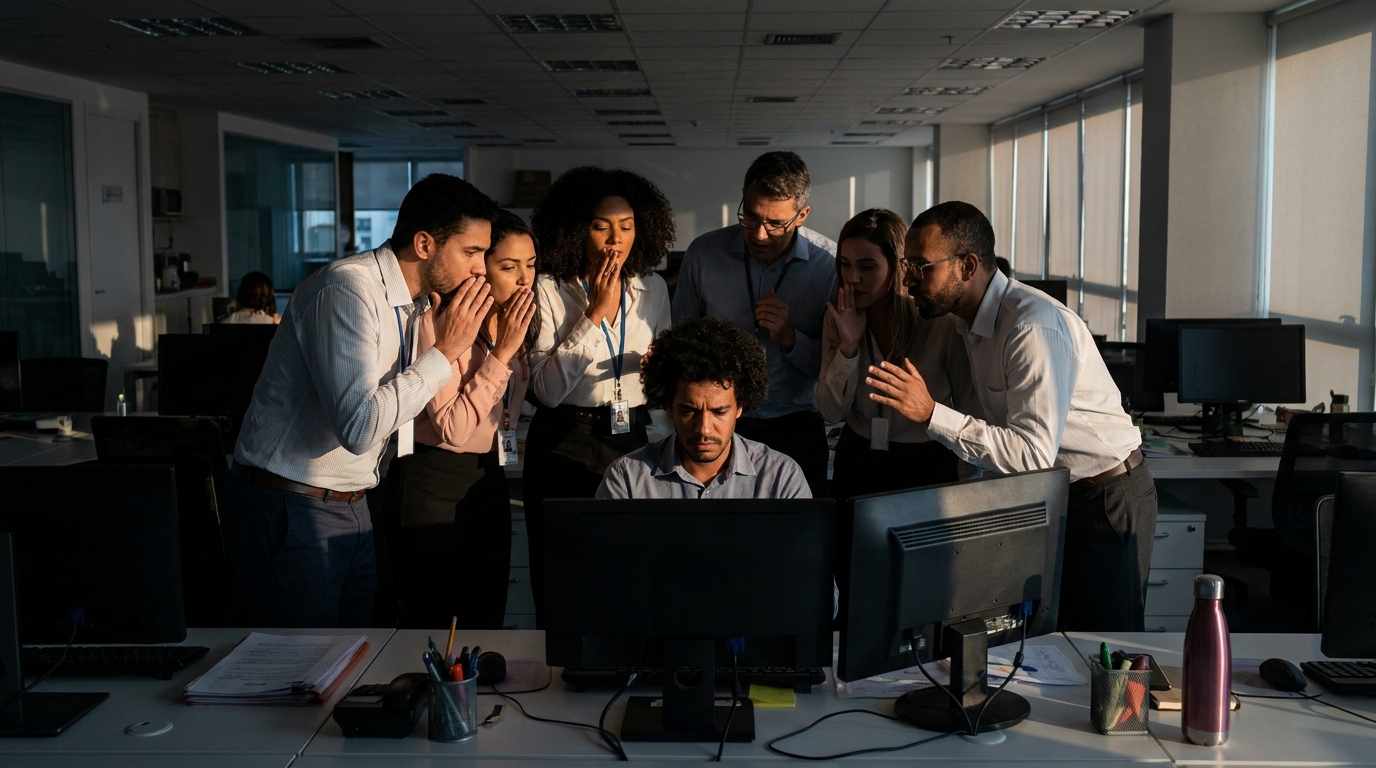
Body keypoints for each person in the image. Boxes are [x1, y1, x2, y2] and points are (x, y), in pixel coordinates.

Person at [864, 201, 1154, 632]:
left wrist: (931, 414)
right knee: (1047, 637)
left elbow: (1032, 454)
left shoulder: (1030, 327)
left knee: (1102, 646)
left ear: (967, 266)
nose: (908, 280)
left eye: (921, 267)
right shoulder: (969, 325)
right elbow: (991, 428)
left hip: (1104, 498)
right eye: (907, 265)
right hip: (1054, 496)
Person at [225, 173, 499, 628]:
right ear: (425, 244)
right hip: (294, 503)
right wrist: (445, 352)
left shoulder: (415, 304)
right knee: (302, 663)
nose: (481, 269)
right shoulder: (347, 290)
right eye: (471, 252)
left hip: (352, 503)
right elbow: (359, 428)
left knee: (354, 656)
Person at [524, 166, 675, 623]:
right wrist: (594, 316)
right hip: (563, 437)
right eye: (600, 226)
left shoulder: (653, 288)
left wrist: (661, 369)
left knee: (628, 568)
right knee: (559, 573)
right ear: (575, 229)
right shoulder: (548, 289)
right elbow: (547, 391)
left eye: (626, 226)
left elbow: (663, 386)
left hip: (632, 436)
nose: (616, 240)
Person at [381, 210, 537, 630]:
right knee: (433, 622)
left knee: (487, 616)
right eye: (509, 267)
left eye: (531, 264)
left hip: (488, 476)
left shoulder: (512, 323)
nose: (524, 279)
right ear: (480, 268)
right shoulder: (439, 321)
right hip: (433, 479)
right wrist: (502, 354)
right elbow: (452, 427)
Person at [672, 151, 836, 496]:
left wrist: (790, 338)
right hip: (719, 425)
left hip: (796, 424)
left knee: (800, 526)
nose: (759, 235)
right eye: (750, 217)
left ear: (802, 215)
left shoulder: (829, 266)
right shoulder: (704, 254)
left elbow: (835, 366)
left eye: (775, 224)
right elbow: (680, 346)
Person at [816, 209, 972, 503]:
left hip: (926, 460)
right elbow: (830, 412)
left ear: (899, 267)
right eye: (845, 265)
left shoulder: (940, 321)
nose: (852, 278)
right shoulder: (839, 317)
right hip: (858, 456)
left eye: (867, 266)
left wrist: (968, 488)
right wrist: (849, 347)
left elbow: (968, 408)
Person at [598, 316, 808, 500]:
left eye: (719, 412)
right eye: (689, 411)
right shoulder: (627, 479)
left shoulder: (781, 478)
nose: (703, 429)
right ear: (668, 406)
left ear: (740, 408)